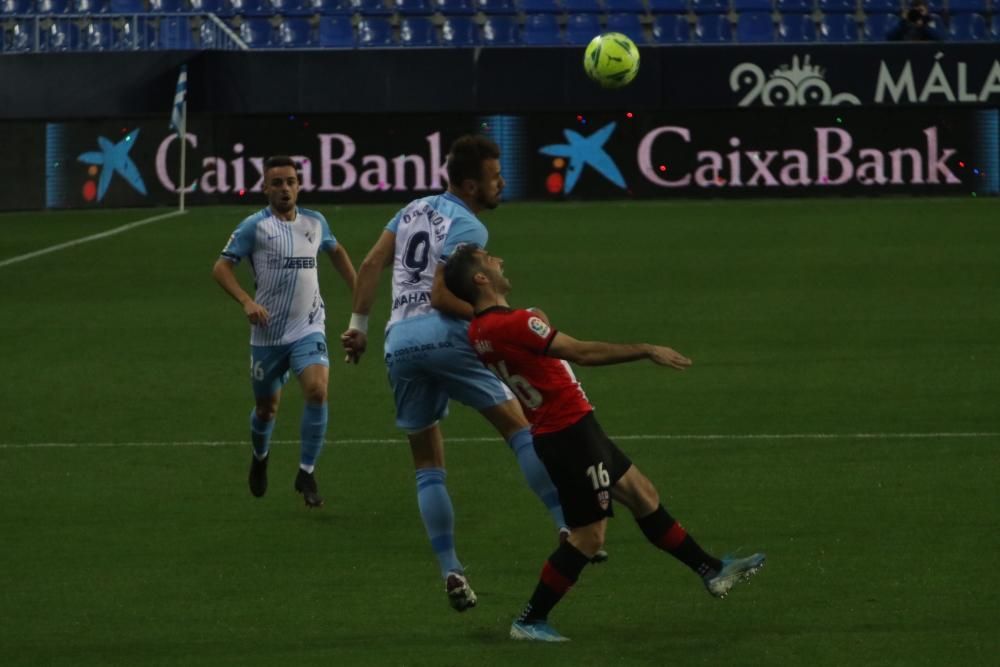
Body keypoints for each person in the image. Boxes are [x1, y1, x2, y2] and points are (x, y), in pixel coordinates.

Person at [443, 245, 767, 642]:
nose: (499, 261)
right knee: (589, 536)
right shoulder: (516, 323)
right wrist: (646, 349)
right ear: (480, 278)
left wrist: (534, 321)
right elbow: (580, 352)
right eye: (490, 259)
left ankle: (711, 570)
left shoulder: (480, 330)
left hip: (569, 430)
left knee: (642, 493)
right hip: (570, 436)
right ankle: (528, 620)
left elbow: (525, 346)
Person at [340, 134, 573, 613]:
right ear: (470, 185)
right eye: (493, 177)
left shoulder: (412, 209)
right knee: (518, 428)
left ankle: (450, 568)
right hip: (445, 336)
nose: (501, 183)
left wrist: (356, 327)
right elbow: (443, 295)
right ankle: (566, 524)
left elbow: (370, 263)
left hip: (399, 342)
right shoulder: (470, 228)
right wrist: (502, 323)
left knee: (427, 463)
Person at [212, 155, 356, 508]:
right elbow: (221, 267)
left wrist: (358, 288)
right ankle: (260, 457)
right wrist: (247, 301)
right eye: (277, 183)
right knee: (266, 409)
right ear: (265, 188)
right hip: (268, 335)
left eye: (290, 181)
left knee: (318, 391)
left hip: (309, 326)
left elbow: (336, 252)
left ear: (298, 185)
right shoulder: (253, 227)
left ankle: (306, 471)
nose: (285, 189)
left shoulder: (315, 222)